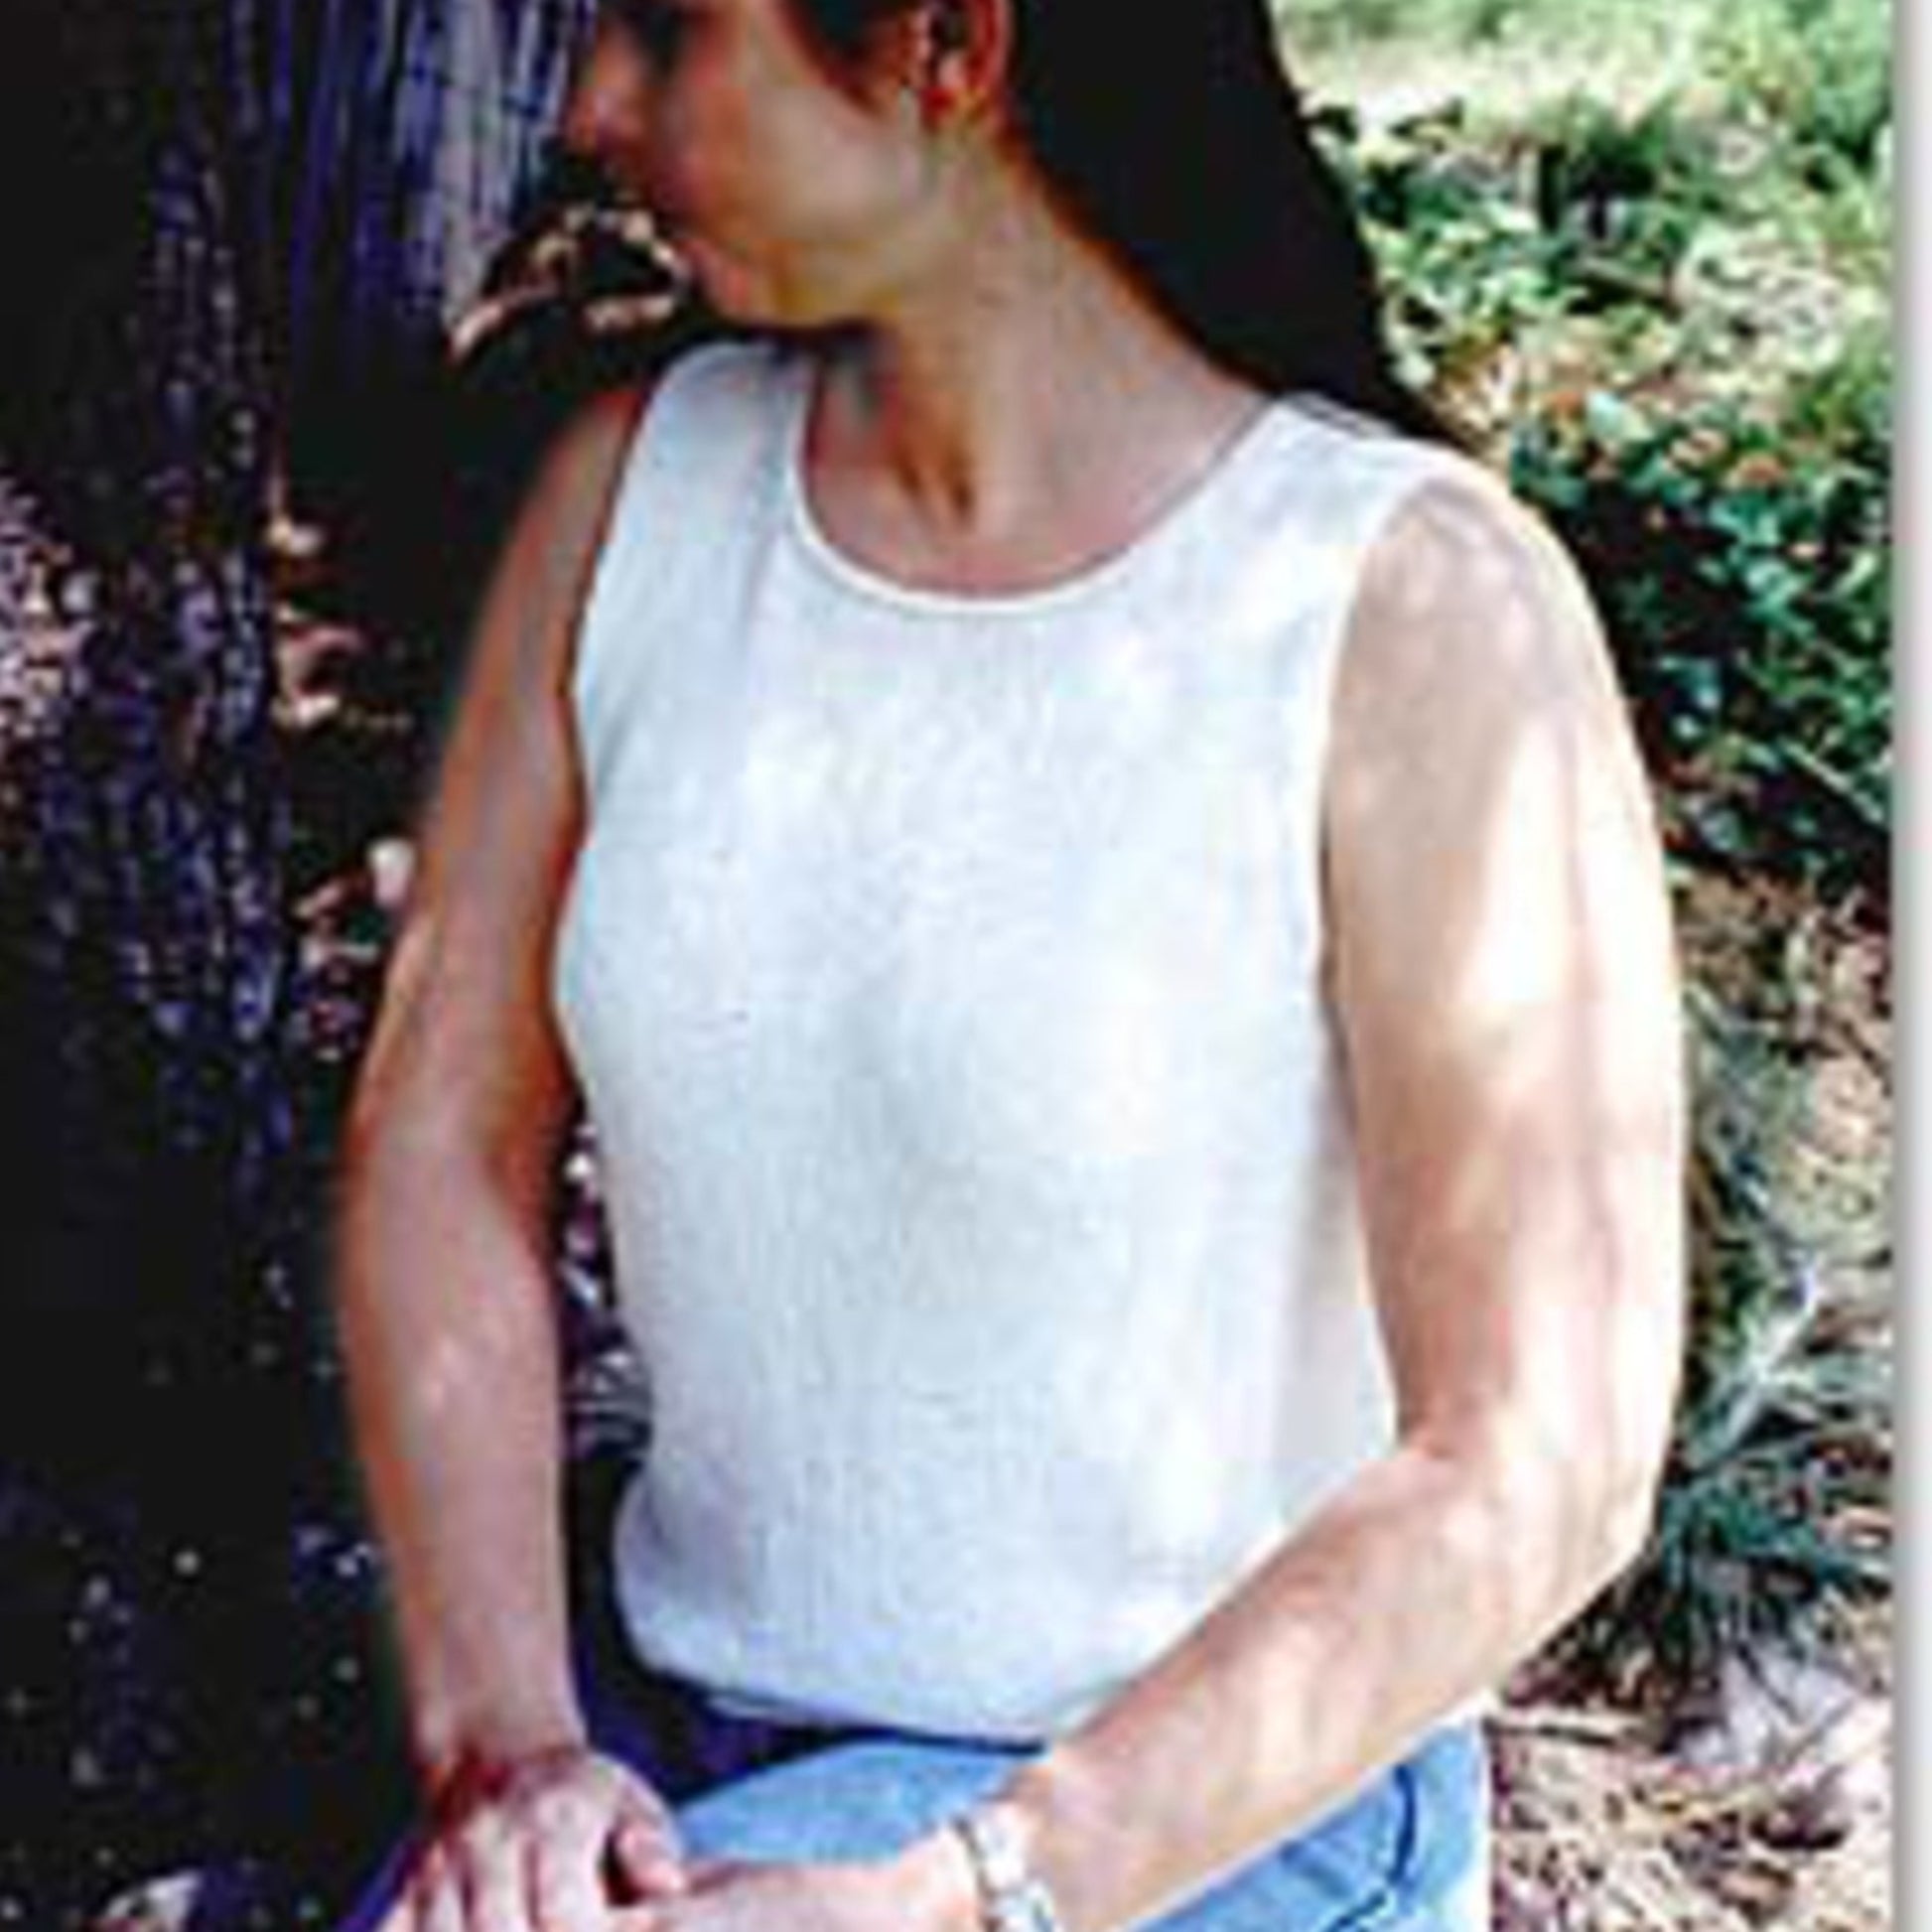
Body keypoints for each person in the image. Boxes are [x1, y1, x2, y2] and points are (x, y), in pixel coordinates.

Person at [332, 1, 1687, 1927]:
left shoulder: (1405, 599)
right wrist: (512, 1750)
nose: (588, 108)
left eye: (657, 26)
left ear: (951, 45)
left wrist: (965, 1889)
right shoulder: (629, 502)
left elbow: (1541, 1454)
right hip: (688, 1741)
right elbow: (438, 1146)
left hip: (1212, 1814)